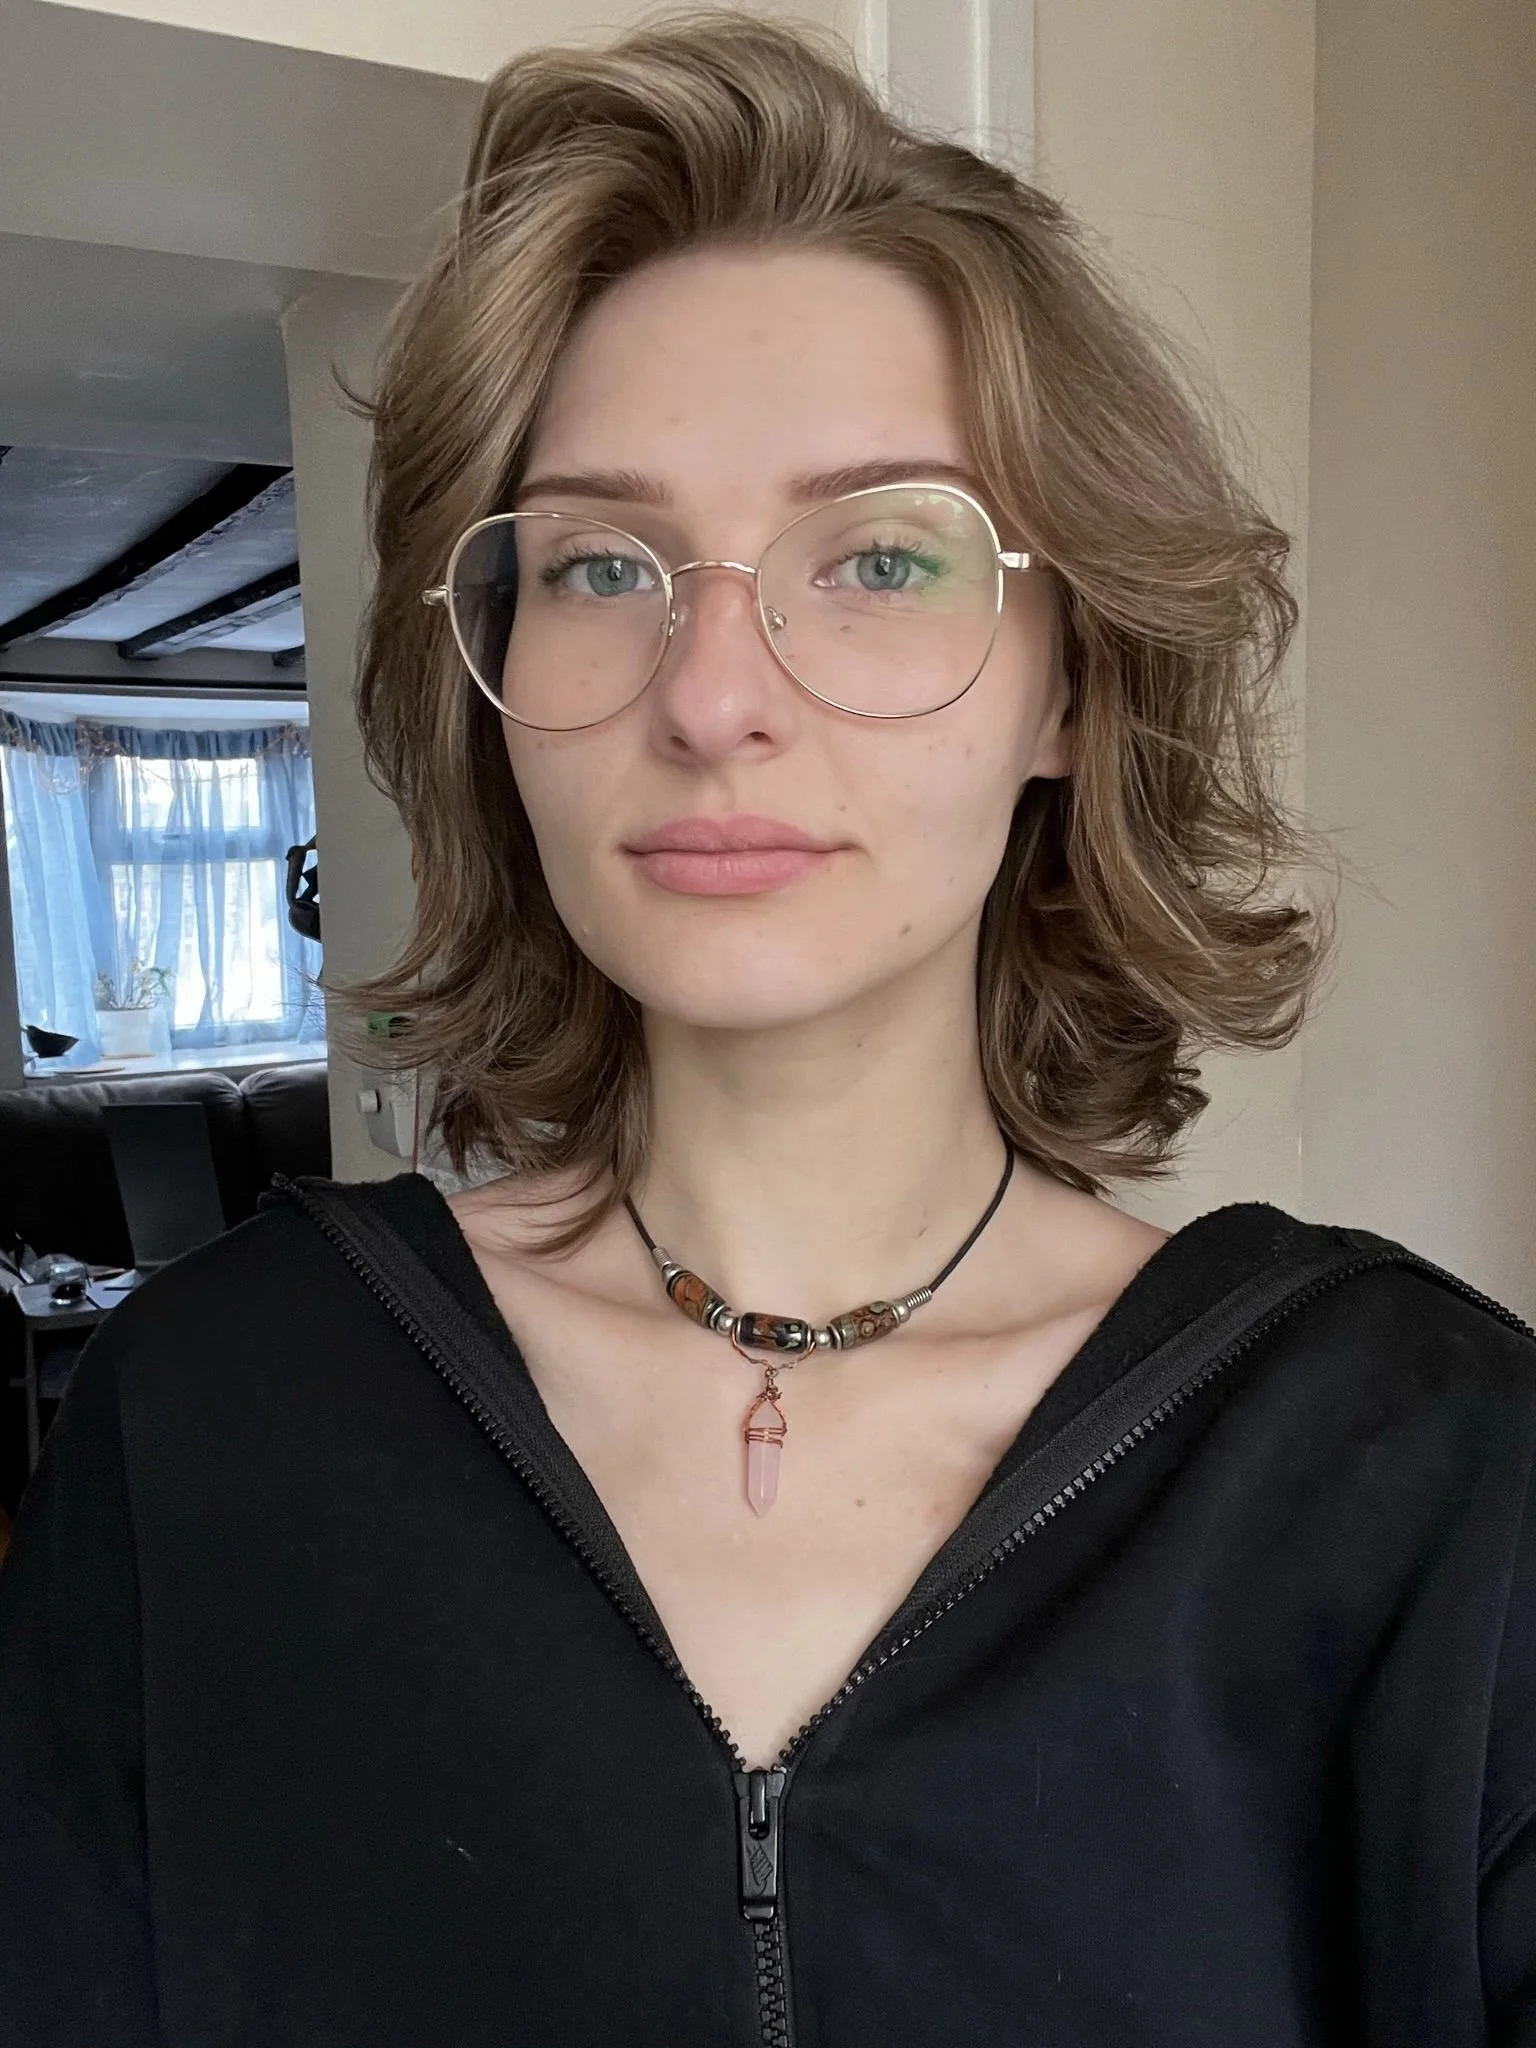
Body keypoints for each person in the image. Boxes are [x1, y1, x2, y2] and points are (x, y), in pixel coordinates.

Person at [2, 14, 1533, 2045]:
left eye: (882, 554)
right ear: (495, 685)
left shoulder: (1435, 1479)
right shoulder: (199, 1434)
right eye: (604, 563)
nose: (712, 691)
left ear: (1070, 684)